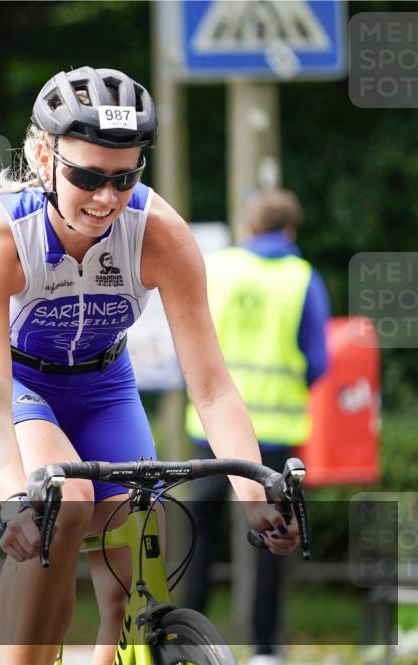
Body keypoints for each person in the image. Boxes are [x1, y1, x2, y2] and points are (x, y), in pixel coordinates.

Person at [0, 65, 303, 665]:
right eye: (87, 176)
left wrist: (254, 492)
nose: (105, 199)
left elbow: (213, 387)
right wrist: (13, 497)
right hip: (7, 381)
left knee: (138, 540)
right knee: (62, 505)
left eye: (124, 179)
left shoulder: (160, 233)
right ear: (42, 157)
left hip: (101, 382)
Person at [182, 189, 330, 665]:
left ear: (249, 225)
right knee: (272, 533)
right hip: (274, 429)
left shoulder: (219, 267)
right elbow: (319, 360)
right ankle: (265, 648)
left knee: (199, 532)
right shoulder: (302, 278)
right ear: (290, 229)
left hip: (209, 429)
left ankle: (187, 634)